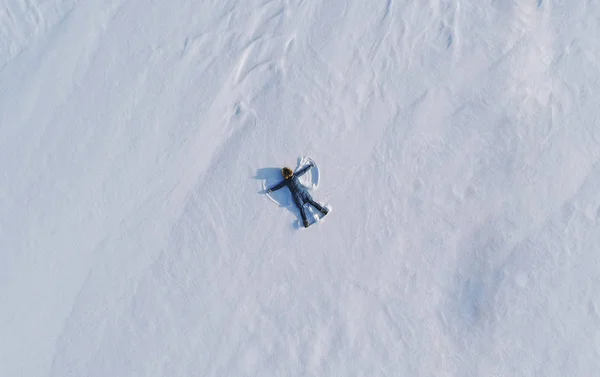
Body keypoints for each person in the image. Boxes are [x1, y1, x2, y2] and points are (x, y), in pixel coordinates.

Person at [267, 162, 328, 228]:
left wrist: (309, 167)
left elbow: (302, 171)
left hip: (299, 194)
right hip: (300, 193)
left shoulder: (289, 179)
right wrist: (272, 189)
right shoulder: (291, 178)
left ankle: (315, 215)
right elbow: (279, 186)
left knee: (305, 206)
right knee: (306, 205)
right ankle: (312, 217)